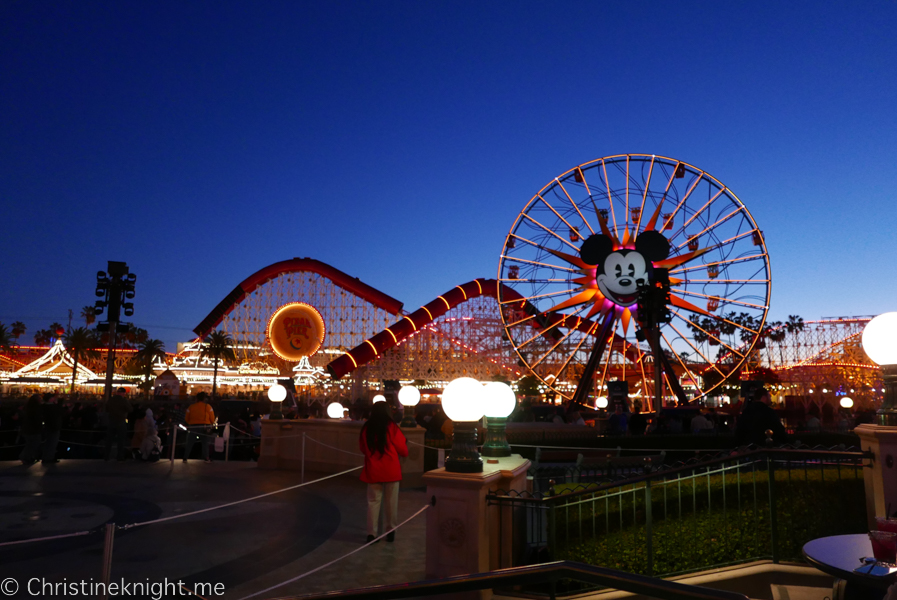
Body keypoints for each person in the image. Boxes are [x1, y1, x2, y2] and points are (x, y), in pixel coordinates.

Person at [359, 402, 408, 544]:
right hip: (391, 470)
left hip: (373, 470)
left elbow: (362, 448)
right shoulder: (391, 427)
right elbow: (403, 450)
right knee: (391, 502)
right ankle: (390, 531)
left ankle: (371, 534)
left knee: (373, 502)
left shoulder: (367, 428)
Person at [184, 392, 216, 463]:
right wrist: (211, 423)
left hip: (193, 426)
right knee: (205, 442)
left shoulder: (191, 407)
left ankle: (185, 457)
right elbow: (212, 418)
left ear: (197, 398)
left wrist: (190, 423)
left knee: (190, 442)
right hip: (205, 425)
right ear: (205, 399)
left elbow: (186, 418)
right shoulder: (208, 407)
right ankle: (206, 457)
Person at [105, 388, 132, 461]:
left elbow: (106, 409)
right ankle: (119, 456)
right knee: (121, 440)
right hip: (121, 421)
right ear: (123, 393)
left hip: (111, 421)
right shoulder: (124, 400)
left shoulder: (111, 400)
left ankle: (106, 456)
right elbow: (130, 409)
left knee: (109, 440)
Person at [19, 395, 43, 465]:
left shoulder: (28, 408)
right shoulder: (36, 408)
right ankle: (25, 456)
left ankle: (27, 457)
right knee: (34, 443)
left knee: (30, 444)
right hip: (33, 429)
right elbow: (37, 419)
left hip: (28, 429)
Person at [41, 392, 63, 465]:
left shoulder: (43, 407)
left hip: (48, 427)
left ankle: (46, 457)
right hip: (54, 427)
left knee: (48, 443)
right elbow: (60, 412)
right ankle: (49, 457)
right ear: (50, 399)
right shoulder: (53, 407)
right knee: (52, 443)